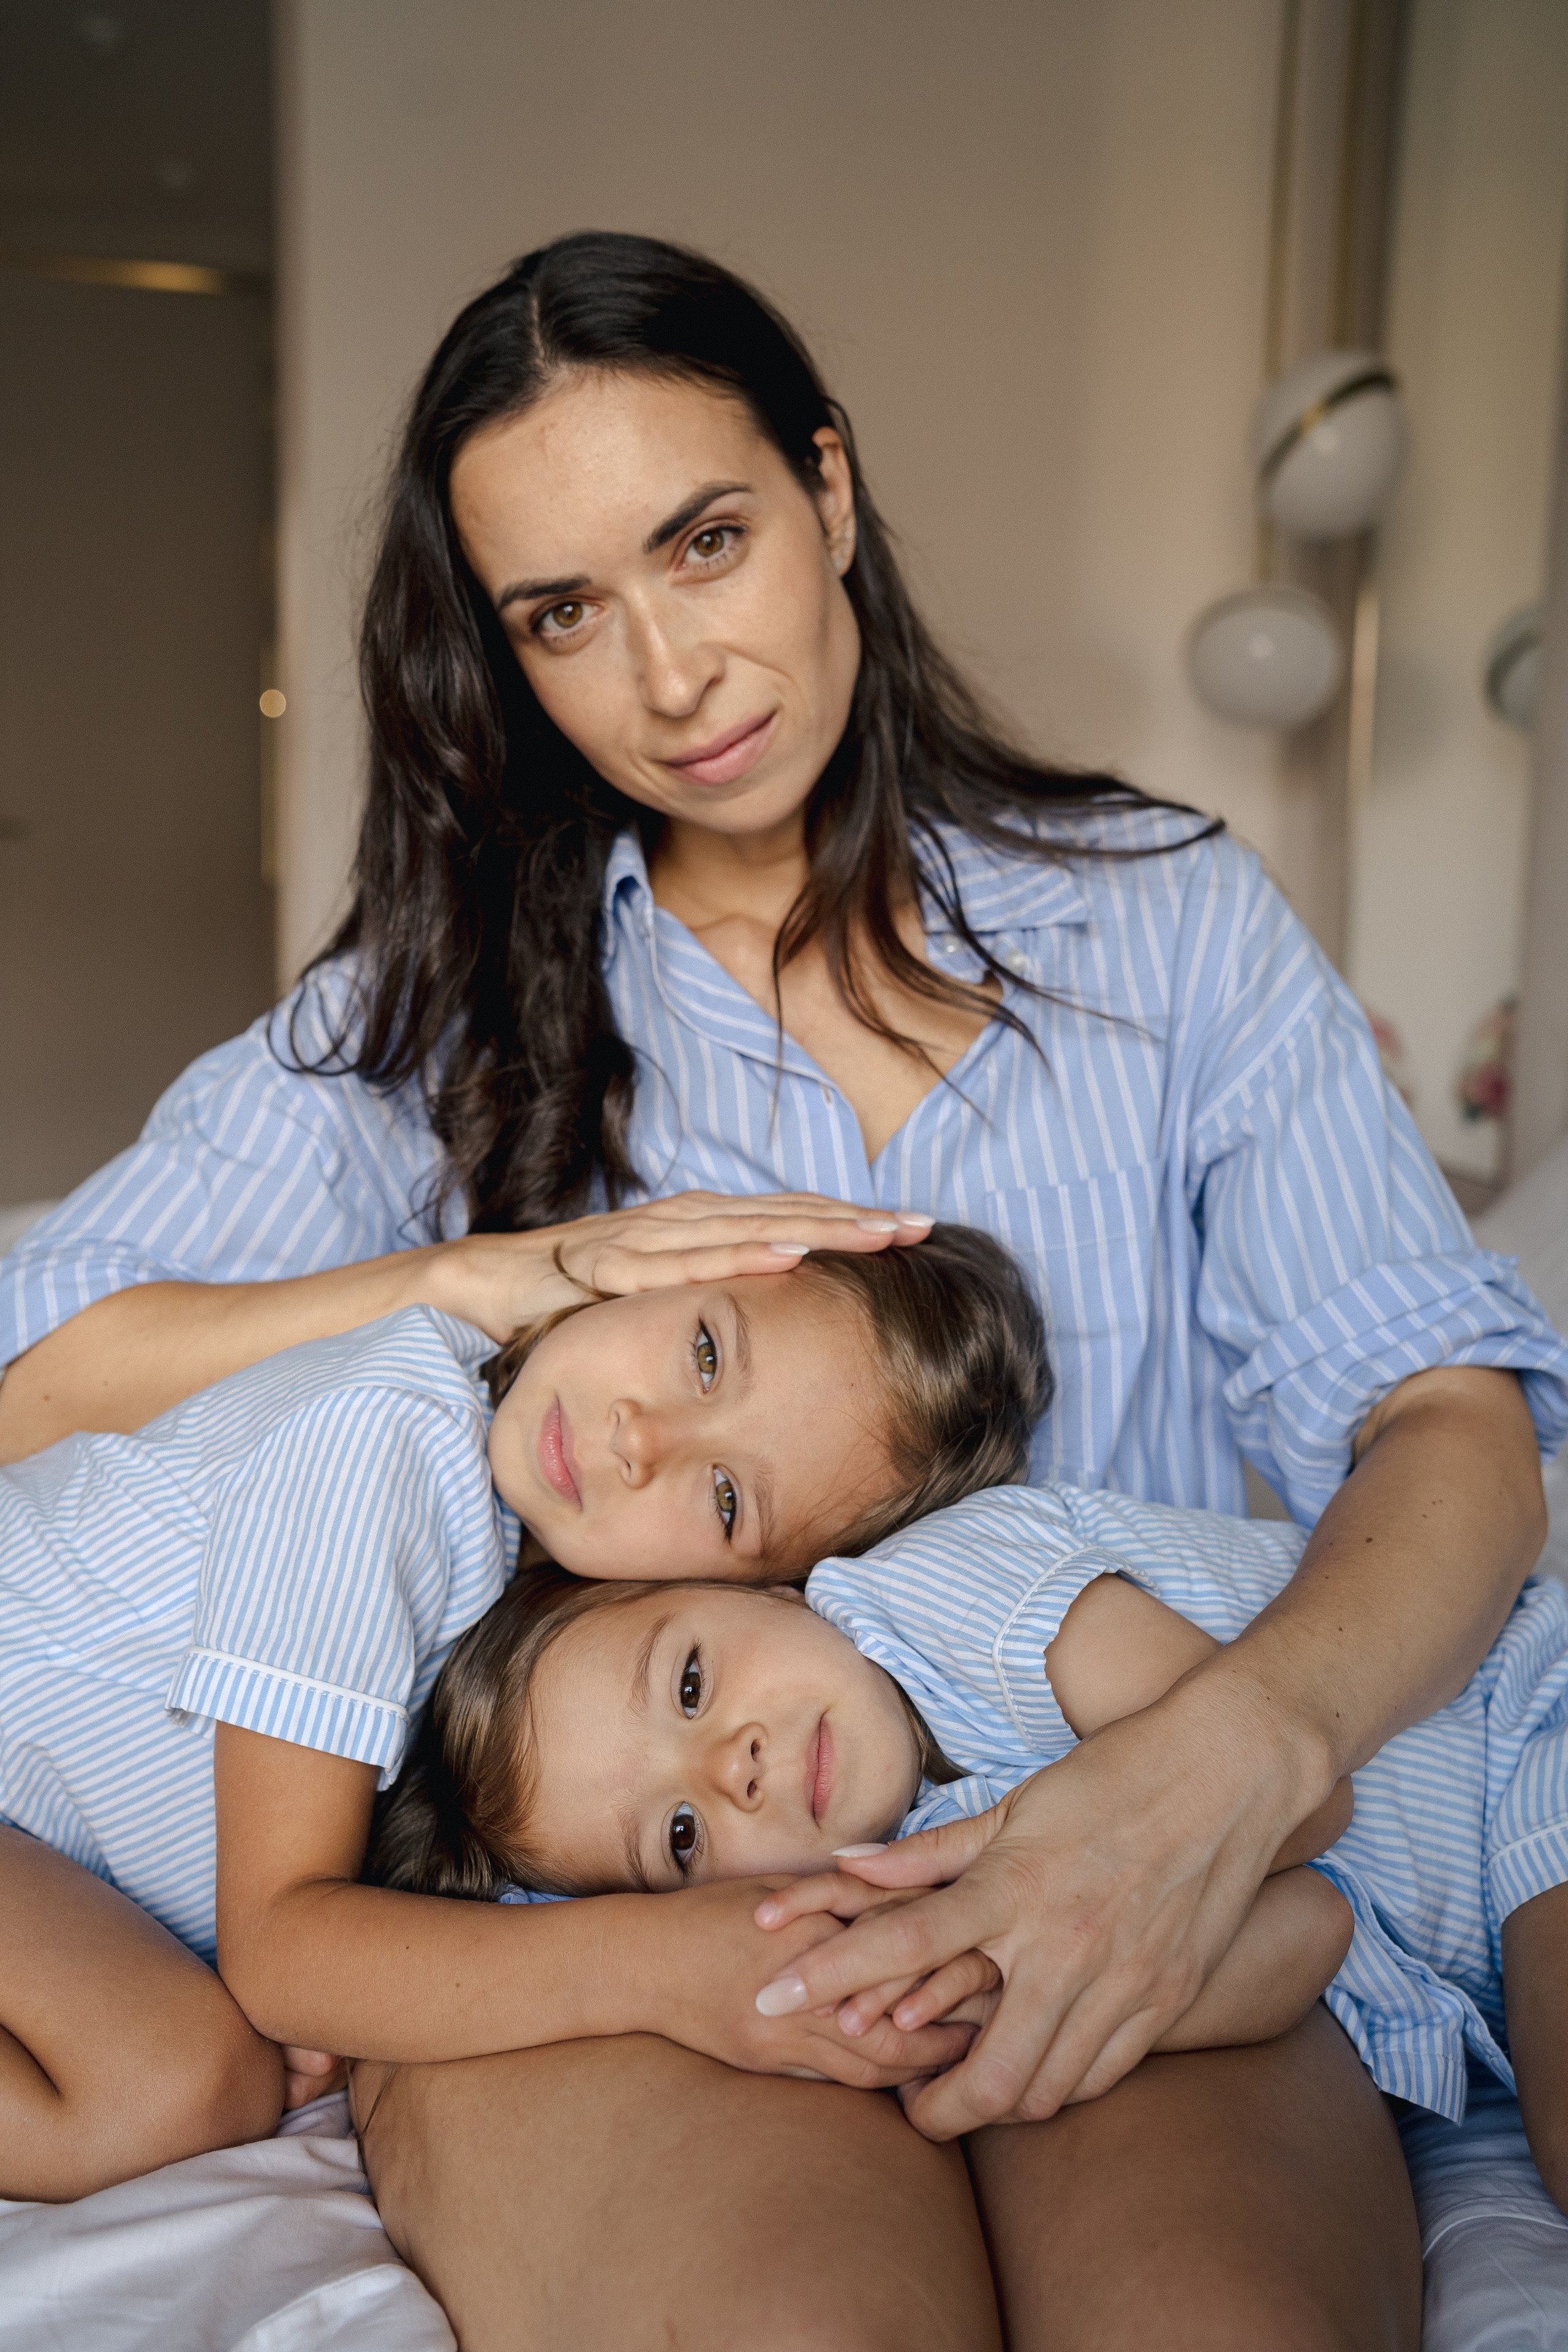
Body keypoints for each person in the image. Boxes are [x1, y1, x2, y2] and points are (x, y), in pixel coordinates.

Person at [1, 226, 1564, 2345]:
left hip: (1116, 1826)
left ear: (827, 489)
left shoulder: (1169, 927)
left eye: (706, 541)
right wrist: (491, 1271)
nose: (670, 676)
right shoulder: (443, 1003)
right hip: (619, 1894)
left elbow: (1452, 1422)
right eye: (566, 613)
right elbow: (36, 1379)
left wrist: (1226, 1762)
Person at [0, 1230, 1044, 2201]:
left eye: (727, 1498)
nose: (642, 1438)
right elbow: (280, 1951)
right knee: (178, 2083)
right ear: (675, 1271)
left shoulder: (562, 1680)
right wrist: (661, 1966)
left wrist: (354, 1981)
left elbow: (337, 1954)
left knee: (185, 2071)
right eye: (706, 1354)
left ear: (770, 1590)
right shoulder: (389, 1440)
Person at [370, 1482, 1568, 2223]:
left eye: (690, 1682)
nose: (733, 1763)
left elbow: (1296, 1810)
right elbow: (1308, 1931)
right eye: (681, 1836)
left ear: (766, 1589)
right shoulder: (904, 1889)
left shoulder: (953, 1591)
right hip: (1472, 1970)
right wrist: (1001, 2000)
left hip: (1520, 1732)